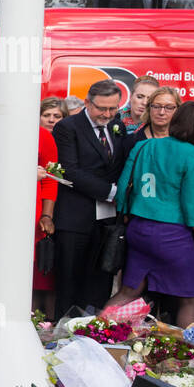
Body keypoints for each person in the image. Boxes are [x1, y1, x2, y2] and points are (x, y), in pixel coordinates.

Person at [105, 101, 194, 325]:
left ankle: (93, 334)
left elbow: (122, 192)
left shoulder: (143, 147)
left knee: (129, 291)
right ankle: (188, 357)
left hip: (138, 228)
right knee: (191, 299)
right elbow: (192, 205)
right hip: (173, 234)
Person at [0, 97, 61, 316]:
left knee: (25, 267)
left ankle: (25, 316)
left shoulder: (43, 135)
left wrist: (47, 216)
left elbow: (51, 178)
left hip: (30, 210)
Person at [52, 78, 129, 315]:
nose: (107, 114)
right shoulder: (68, 127)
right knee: (70, 280)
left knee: (100, 281)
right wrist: (112, 192)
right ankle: (64, 331)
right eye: (102, 108)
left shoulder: (119, 127)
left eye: (113, 108)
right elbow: (69, 170)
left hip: (106, 220)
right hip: (76, 217)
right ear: (87, 103)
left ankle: (93, 330)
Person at [125, 85, 179, 154]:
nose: (161, 112)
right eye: (156, 106)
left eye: (169, 107)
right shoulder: (132, 142)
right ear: (149, 108)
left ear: (178, 110)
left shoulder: (184, 140)